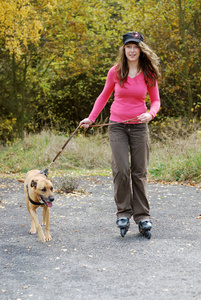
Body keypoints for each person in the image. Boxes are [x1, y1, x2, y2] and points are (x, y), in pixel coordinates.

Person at [80, 31, 160, 239]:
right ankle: (123, 212)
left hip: (139, 127)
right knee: (122, 169)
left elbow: (156, 100)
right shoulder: (115, 71)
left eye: (135, 46)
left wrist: (150, 114)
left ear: (141, 49)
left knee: (139, 171)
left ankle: (142, 216)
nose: (132, 50)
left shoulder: (149, 73)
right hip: (117, 126)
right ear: (124, 49)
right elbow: (104, 95)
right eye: (128, 46)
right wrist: (91, 118)